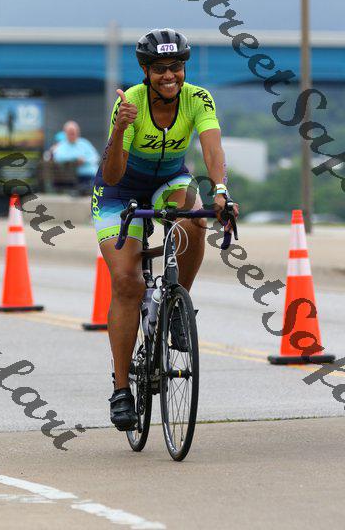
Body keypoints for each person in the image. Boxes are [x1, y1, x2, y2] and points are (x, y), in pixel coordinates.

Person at [91, 28, 239, 431]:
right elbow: (113, 172)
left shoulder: (198, 98)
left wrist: (220, 190)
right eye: (159, 68)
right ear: (145, 71)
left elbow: (212, 147)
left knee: (194, 219)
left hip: (169, 180)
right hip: (119, 190)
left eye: (176, 67)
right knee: (127, 282)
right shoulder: (130, 102)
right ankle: (122, 389)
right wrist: (119, 129)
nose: (169, 75)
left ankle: (177, 305)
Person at [52, 120, 99, 191]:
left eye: (74, 132)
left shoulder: (85, 143)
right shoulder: (61, 146)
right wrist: (75, 160)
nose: (72, 134)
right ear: (65, 133)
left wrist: (84, 160)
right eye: (70, 132)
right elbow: (58, 158)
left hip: (89, 175)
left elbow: (95, 157)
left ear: (78, 132)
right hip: (71, 178)